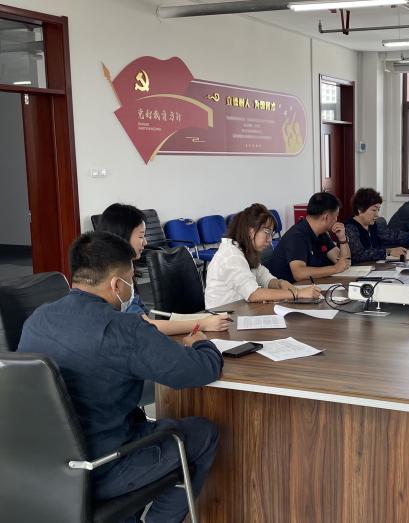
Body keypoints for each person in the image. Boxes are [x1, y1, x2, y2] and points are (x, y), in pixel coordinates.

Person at [18, 231, 223, 523]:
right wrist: (202, 343)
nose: (132, 288)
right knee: (203, 433)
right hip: (104, 468)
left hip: (44, 468)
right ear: (117, 284)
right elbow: (200, 370)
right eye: (131, 280)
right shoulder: (123, 328)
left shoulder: (38, 319)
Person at [97, 203, 231, 333]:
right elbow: (145, 326)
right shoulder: (115, 278)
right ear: (122, 237)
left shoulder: (113, 268)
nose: (145, 242)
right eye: (141, 236)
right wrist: (202, 324)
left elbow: (143, 318)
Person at [205, 203, 320, 309]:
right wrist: (298, 293)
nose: (270, 240)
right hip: (222, 318)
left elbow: (264, 278)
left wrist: (281, 283)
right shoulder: (231, 255)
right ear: (251, 231)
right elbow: (253, 294)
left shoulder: (246, 251)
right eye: (267, 232)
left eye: (271, 234)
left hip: (240, 311)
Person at [269, 192, 352, 282]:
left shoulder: (322, 233)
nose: (336, 220)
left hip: (309, 285)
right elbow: (299, 273)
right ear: (326, 217)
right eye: (336, 216)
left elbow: (343, 262)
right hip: (289, 288)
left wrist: (342, 239)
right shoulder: (296, 236)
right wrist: (335, 268)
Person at [344, 188, 409, 263]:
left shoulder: (373, 225)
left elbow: (393, 235)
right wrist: (388, 251)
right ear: (360, 209)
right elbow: (358, 254)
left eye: (378, 210)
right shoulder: (349, 227)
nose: (377, 215)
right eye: (373, 210)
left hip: (374, 267)